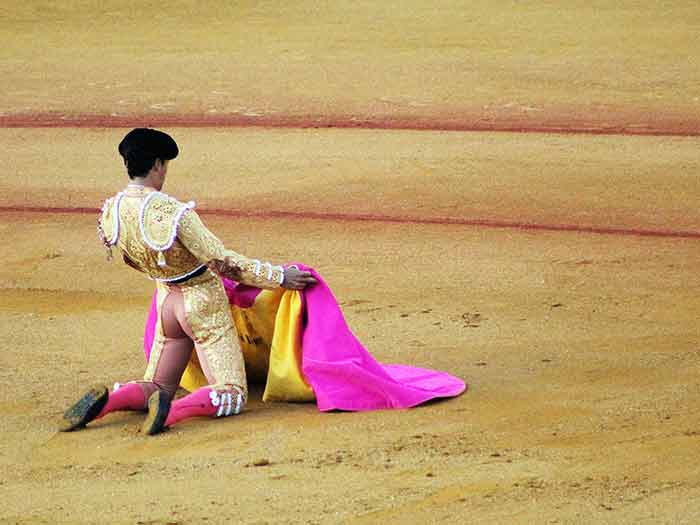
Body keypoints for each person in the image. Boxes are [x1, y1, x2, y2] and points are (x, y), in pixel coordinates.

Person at [60, 128, 316, 436]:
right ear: (156, 165)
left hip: (166, 300)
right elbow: (223, 263)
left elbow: (132, 260)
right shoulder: (173, 213)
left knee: (158, 384)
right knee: (232, 392)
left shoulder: (112, 210)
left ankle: (109, 402)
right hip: (201, 301)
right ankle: (172, 412)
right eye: (165, 164)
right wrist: (278, 276)